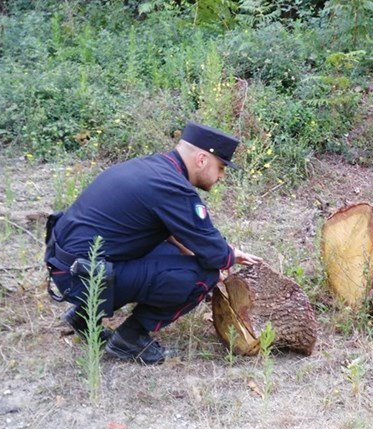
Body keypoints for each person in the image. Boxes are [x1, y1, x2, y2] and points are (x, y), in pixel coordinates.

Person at [44, 121, 262, 365]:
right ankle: (130, 338)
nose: (222, 176)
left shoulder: (153, 168)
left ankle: (83, 317)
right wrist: (227, 257)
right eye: (221, 167)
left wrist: (224, 252)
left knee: (176, 253)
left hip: (70, 267)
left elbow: (177, 234)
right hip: (83, 277)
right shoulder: (171, 186)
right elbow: (214, 254)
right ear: (202, 159)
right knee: (204, 274)